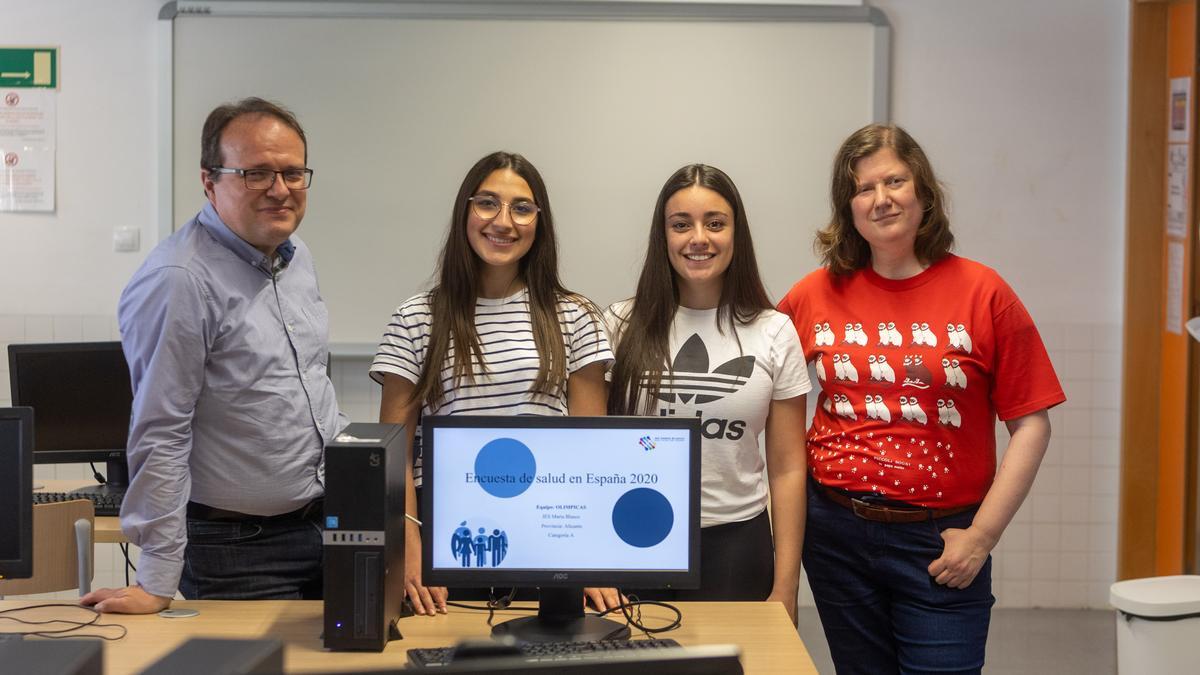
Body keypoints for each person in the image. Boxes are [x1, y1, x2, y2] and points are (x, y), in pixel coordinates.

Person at [776, 124, 1065, 673]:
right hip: (835, 533)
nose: (881, 199)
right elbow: (760, 381)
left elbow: (1032, 425)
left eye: (895, 181)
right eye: (864, 188)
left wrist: (982, 536)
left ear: (924, 194)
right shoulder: (813, 293)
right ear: (849, 207)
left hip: (941, 543)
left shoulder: (984, 292)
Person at [81, 98, 346, 614]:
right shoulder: (179, 281)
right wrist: (157, 579)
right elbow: (161, 428)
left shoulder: (295, 257)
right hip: (238, 549)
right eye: (256, 173)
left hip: (326, 526)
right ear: (209, 181)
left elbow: (305, 383)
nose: (281, 189)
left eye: (293, 172)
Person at [370, 151, 614, 616]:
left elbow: (591, 447)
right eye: (487, 203)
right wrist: (408, 542)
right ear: (465, 210)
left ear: (539, 222)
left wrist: (593, 554)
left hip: (550, 532)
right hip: (446, 535)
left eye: (522, 208)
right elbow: (392, 449)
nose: (504, 221)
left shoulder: (576, 316)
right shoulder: (417, 317)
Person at [605, 164, 810, 624]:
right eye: (681, 225)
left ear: (736, 233)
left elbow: (788, 467)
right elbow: (594, 449)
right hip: (632, 536)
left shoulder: (773, 331)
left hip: (736, 544)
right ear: (664, 236)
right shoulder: (620, 324)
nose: (699, 238)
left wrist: (786, 586)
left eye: (715, 223)